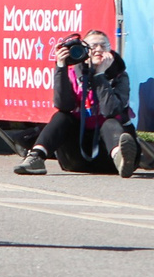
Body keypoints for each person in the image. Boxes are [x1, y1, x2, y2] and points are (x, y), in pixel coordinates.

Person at [15, 30, 139, 177]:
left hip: (110, 157)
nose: (99, 50)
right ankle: (36, 157)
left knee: (110, 122)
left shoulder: (120, 75)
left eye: (104, 46)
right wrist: (60, 67)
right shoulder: (73, 72)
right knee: (61, 117)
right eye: (94, 46)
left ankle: (122, 157)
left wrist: (100, 75)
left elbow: (110, 110)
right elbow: (63, 105)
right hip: (76, 155)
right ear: (85, 50)